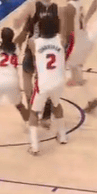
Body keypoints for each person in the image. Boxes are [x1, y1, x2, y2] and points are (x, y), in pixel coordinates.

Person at [14, 0, 59, 113]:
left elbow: (17, 23)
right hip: (49, 47)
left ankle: (30, 105)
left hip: (33, 45)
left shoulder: (32, 5)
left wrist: (25, 22)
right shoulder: (56, 8)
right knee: (45, 79)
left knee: (27, 73)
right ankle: (46, 111)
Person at [27, 15, 68, 155]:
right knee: (56, 105)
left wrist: (37, 27)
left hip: (43, 83)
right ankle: (62, 136)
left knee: (33, 112)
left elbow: (32, 39)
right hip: (58, 81)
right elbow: (62, 33)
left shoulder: (33, 43)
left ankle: (34, 146)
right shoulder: (61, 40)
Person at [61, 0, 97, 112]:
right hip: (84, 41)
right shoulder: (78, 3)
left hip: (76, 45)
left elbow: (67, 32)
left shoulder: (69, 8)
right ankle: (91, 98)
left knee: (56, 72)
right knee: (76, 74)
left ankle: (52, 105)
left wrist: (62, 48)